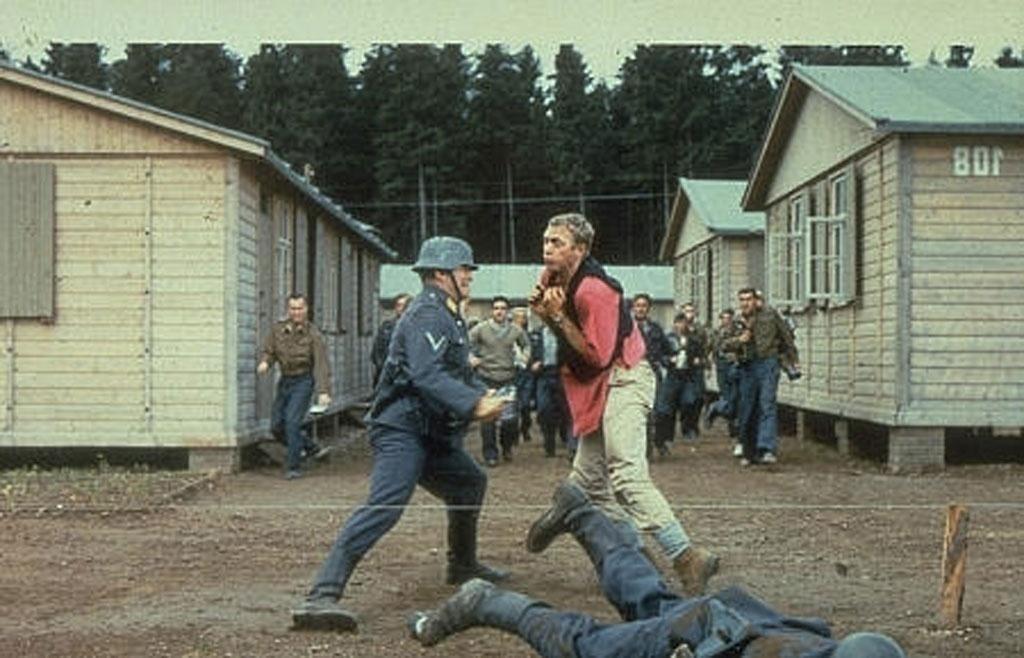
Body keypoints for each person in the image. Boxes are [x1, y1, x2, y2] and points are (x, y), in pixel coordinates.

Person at [408, 480, 907, 658]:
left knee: (650, 598)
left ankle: (581, 513)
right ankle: (488, 602)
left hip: (726, 615)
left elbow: (809, 627)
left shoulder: (833, 648)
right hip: (711, 637)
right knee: (586, 647)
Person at [291, 236, 510, 632]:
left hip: (429, 432)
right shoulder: (427, 314)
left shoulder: (447, 315)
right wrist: (475, 405)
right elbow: (426, 375)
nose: (469, 276)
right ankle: (320, 596)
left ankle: (461, 565)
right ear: (442, 274)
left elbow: (451, 373)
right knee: (386, 503)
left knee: (468, 483)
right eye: (465, 270)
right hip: (401, 429)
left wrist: (480, 394)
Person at [529, 212, 718, 596]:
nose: (547, 250)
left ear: (580, 250)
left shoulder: (595, 290)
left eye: (557, 243)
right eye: (546, 241)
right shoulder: (550, 278)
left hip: (626, 375)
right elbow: (571, 341)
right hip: (599, 381)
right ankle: (637, 558)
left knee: (626, 474)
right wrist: (550, 317)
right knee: (587, 484)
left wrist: (556, 318)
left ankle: (686, 555)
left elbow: (595, 355)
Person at [257, 293, 332, 480]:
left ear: (306, 310)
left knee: (292, 422)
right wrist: (266, 362)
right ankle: (311, 447)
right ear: (288, 309)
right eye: (293, 308)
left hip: (303, 381)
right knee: (276, 426)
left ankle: (293, 466)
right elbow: (270, 350)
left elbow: (321, 364)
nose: (296, 312)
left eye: (300, 308)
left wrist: (323, 391)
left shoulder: (313, 334)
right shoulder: (278, 330)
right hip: (285, 381)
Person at [725, 288, 800, 466]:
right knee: (747, 408)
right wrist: (739, 341)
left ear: (756, 300)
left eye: (748, 299)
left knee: (767, 404)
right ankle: (749, 450)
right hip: (746, 366)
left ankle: (767, 448)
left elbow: (786, 337)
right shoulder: (737, 321)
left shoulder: (770, 315)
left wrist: (794, 360)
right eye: (742, 300)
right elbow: (723, 344)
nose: (745, 303)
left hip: (768, 363)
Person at [470, 295, 530, 466]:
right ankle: (490, 454)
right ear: (491, 311)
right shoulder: (481, 329)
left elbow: (526, 345)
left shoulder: (516, 330)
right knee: (488, 419)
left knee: (509, 420)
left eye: (503, 308)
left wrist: (523, 359)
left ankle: (507, 446)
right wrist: (471, 358)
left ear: (507, 312)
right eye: (496, 308)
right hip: (486, 378)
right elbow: (466, 344)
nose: (499, 312)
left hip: (508, 378)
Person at [655, 310, 708, 446]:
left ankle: (688, 427)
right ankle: (667, 438)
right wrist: (668, 360)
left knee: (689, 401)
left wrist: (699, 361)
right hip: (673, 375)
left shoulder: (694, 340)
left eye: (683, 323)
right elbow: (661, 356)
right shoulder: (668, 339)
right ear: (674, 324)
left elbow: (703, 357)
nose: (680, 326)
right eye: (678, 323)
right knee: (667, 408)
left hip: (688, 376)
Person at [530, 321, 576, 459]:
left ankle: (572, 447)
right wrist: (532, 364)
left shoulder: (565, 333)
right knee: (544, 410)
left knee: (568, 411)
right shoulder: (536, 334)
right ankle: (549, 445)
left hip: (562, 374)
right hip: (543, 375)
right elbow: (527, 352)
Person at [632, 293, 670, 458]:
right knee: (637, 413)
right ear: (633, 308)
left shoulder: (655, 329)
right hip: (633, 373)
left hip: (653, 372)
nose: (640, 309)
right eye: (638, 305)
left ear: (649, 309)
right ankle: (642, 450)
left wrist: (667, 360)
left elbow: (666, 349)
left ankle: (659, 441)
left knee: (660, 410)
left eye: (644, 306)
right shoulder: (627, 329)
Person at [705, 308, 743, 456]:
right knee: (730, 402)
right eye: (724, 318)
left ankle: (716, 407)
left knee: (736, 402)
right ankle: (717, 408)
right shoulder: (716, 333)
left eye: (729, 318)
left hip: (736, 368)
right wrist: (708, 368)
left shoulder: (738, 332)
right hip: (722, 369)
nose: (727, 321)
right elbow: (708, 350)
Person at [371, 292, 413, 387]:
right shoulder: (387, 327)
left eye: (405, 305)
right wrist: (384, 368)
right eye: (399, 305)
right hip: (386, 376)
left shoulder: (417, 327)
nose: (401, 308)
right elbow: (376, 351)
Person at [511, 307, 537, 443]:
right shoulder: (507, 334)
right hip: (512, 373)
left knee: (525, 404)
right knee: (513, 405)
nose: (521, 320)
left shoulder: (531, 335)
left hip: (526, 373)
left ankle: (525, 428)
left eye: (523, 317)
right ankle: (513, 434)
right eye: (518, 317)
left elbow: (535, 350)